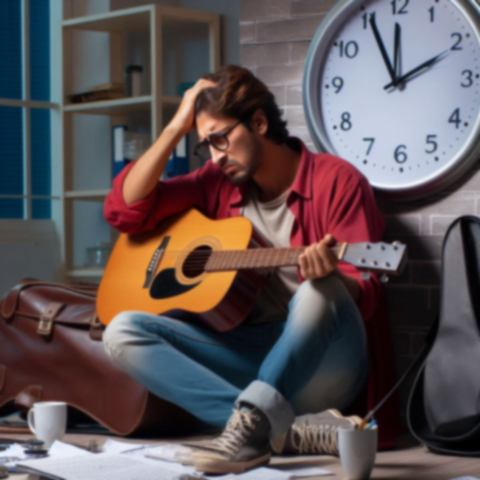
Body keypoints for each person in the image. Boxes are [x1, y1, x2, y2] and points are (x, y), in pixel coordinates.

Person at [103, 65, 392, 474]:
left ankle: (253, 426)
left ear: (258, 121)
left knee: (317, 291)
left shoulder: (338, 181)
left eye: (221, 138)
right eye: (207, 144)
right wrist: (175, 127)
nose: (216, 155)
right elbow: (124, 212)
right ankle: (273, 431)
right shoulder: (216, 182)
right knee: (121, 331)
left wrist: (333, 277)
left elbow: (368, 292)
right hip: (250, 355)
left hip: (326, 361)